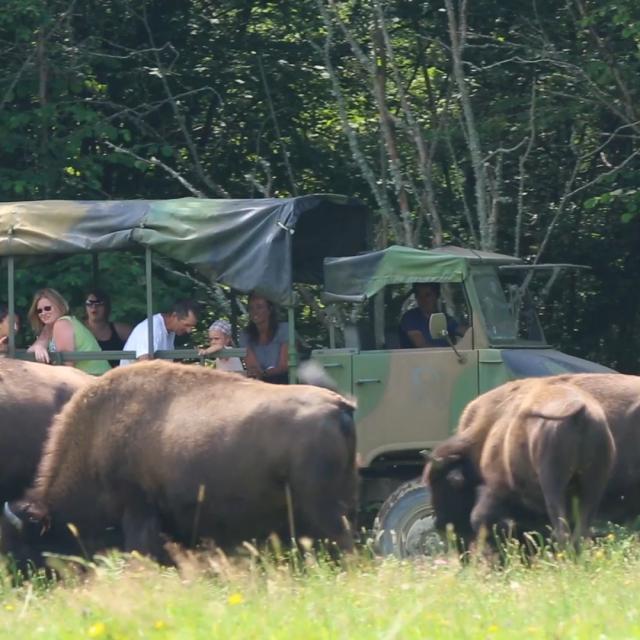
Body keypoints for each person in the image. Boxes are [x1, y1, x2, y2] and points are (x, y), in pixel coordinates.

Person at [27, 288, 111, 375]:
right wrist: (38, 347)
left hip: (96, 380)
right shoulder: (50, 327)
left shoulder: (62, 324)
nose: (43, 313)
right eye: (39, 311)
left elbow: (67, 368)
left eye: (47, 308)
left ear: (59, 305)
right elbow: (36, 345)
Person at [120, 299, 200, 366]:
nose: (189, 330)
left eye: (191, 327)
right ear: (174, 316)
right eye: (186, 325)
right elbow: (144, 363)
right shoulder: (153, 328)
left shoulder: (170, 331)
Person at [239, 292, 288, 384]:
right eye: (251, 308)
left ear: (270, 310)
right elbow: (252, 366)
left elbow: (283, 365)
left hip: (283, 380)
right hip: (258, 381)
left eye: (259, 307)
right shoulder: (245, 335)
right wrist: (259, 374)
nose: (254, 311)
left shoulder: (284, 329)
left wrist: (265, 373)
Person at [83, 287, 133, 367]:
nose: (94, 307)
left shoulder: (119, 330)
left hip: (116, 377)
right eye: (89, 303)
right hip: (86, 377)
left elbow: (141, 339)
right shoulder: (79, 330)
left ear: (106, 306)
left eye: (99, 303)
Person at [399, 283, 459, 348]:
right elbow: (422, 345)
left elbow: (460, 329)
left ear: (437, 296)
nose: (423, 300)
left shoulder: (444, 318)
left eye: (427, 295)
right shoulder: (410, 317)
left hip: (450, 355)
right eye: (419, 296)